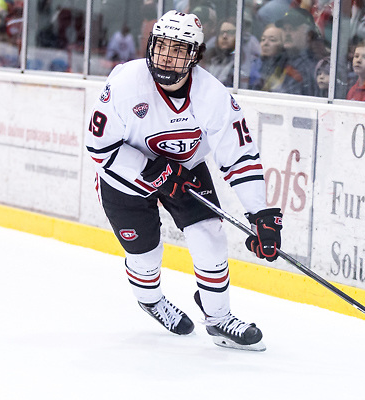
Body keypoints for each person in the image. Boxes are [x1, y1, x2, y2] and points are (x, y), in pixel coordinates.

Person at [85, 10, 283, 351]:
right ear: (151, 46)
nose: (167, 56)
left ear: (195, 55)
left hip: (185, 169)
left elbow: (240, 156)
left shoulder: (213, 95)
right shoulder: (125, 83)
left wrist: (260, 214)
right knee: (146, 255)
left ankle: (219, 319)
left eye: (178, 50)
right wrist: (153, 171)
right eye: (161, 46)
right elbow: (99, 147)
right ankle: (151, 301)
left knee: (210, 234)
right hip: (123, 179)